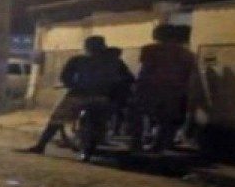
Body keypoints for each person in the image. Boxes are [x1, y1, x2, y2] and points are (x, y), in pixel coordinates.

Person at [20, 35, 134, 155]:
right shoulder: (115, 62)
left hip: (78, 95)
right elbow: (129, 78)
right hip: (103, 97)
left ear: (87, 47)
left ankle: (41, 145)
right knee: (104, 118)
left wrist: (73, 85)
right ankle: (100, 137)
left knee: (57, 119)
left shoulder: (78, 60)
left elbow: (65, 77)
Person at [133, 24, 197, 152]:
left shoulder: (150, 49)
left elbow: (146, 69)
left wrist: (138, 86)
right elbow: (187, 74)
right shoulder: (187, 54)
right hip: (174, 90)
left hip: (151, 88)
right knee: (166, 119)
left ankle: (137, 143)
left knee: (138, 114)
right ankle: (160, 144)